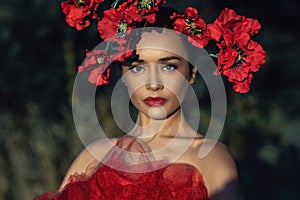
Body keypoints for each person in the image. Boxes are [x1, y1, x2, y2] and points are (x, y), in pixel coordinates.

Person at [35, 1, 265, 199]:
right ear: (123, 76)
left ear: (192, 73)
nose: (153, 83)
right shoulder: (95, 154)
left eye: (168, 66)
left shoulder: (208, 156)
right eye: (137, 68)